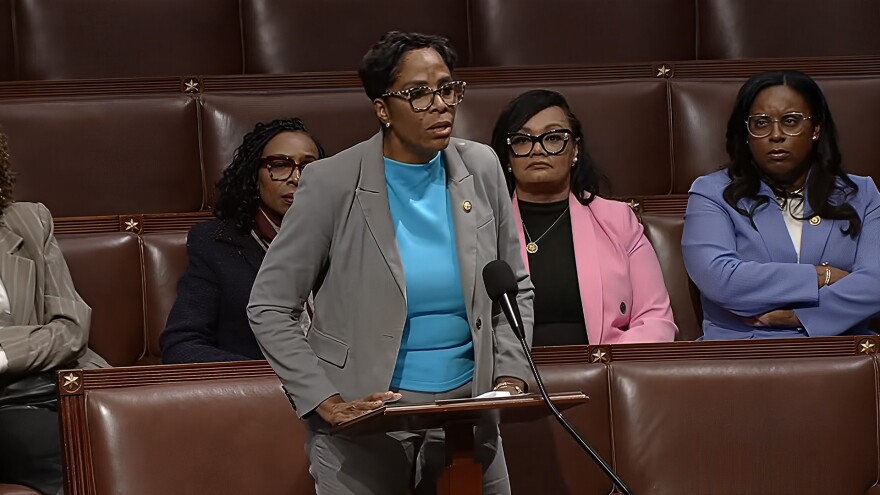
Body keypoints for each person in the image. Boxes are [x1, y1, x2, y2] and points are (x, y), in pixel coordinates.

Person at [247, 32, 533, 495]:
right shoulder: (331, 182)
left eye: (447, 88)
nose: (440, 104)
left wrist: (511, 378)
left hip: (468, 412)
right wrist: (324, 400)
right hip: (364, 420)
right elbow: (269, 306)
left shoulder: (480, 167)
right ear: (382, 108)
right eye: (418, 93)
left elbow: (513, 285)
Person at [682, 70, 880, 339]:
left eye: (791, 121)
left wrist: (798, 316)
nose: (776, 135)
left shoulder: (861, 194)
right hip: (740, 356)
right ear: (747, 132)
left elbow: (876, 283)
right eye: (761, 123)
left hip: (840, 352)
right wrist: (822, 276)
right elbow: (720, 279)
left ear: (816, 129)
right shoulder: (713, 193)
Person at [490, 89, 677, 345]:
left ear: (575, 150)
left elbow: (656, 319)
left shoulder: (618, 219)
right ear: (508, 157)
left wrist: (607, 374)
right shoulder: (485, 225)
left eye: (554, 137)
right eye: (522, 140)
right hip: (512, 375)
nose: (538, 149)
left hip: (605, 371)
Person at [161, 118, 325, 363]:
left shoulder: (346, 237)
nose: (296, 178)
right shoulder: (215, 244)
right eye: (280, 165)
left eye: (309, 166)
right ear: (254, 177)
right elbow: (182, 346)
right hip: (263, 391)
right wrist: (271, 378)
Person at [0, 132, 109, 494]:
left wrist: (3, 353)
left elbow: (72, 328)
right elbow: (54, 332)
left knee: (153, 431)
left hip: (64, 380)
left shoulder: (29, 220)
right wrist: (37, 336)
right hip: (7, 403)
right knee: (60, 452)